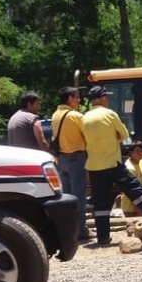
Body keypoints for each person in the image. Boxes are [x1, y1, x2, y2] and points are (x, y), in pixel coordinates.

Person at [83, 86, 142, 246]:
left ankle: (103, 238)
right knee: (135, 188)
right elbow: (123, 134)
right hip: (112, 163)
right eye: (106, 97)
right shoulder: (109, 114)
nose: (108, 100)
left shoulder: (84, 118)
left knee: (100, 204)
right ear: (102, 98)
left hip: (94, 167)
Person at [51, 86, 91, 243]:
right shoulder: (75, 116)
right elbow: (89, 135)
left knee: (66, 197)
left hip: (61, 159)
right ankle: (81, 230)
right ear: (70, 98)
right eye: (77, 97)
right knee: (79, 195)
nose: (79, 100)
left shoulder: (55, 115)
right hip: (76, 158)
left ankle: (68, 231)